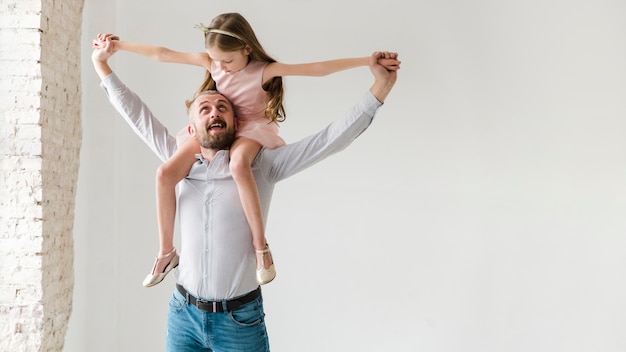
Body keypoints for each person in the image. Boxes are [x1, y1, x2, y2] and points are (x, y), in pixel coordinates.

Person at [92, 32, 398, 351]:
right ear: (191, 126)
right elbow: (135, 113)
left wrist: (380, 87)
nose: (214, 113)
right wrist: (101, 65)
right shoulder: (177, 161)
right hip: (182, 314)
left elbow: (329, 140)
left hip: (238, 322)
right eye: (205, 108)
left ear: (236, 123)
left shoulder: (261, 165)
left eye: (222, 107)